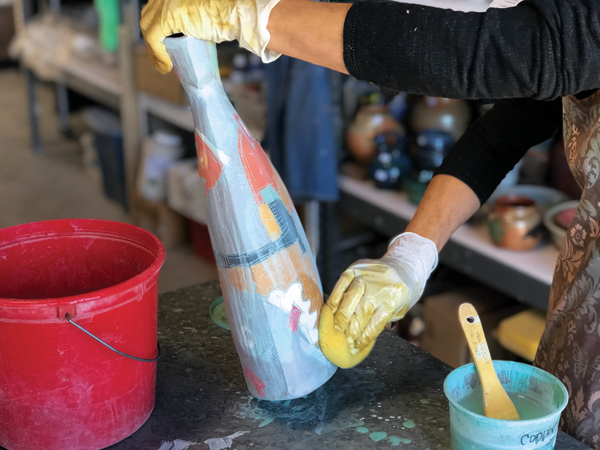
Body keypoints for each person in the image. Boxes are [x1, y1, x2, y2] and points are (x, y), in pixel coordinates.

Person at [140, 0, 600, 447]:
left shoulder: (561, 39)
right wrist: (410, 256)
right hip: (581, 315)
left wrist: (250, 15)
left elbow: (495, 53)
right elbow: (499, 135)